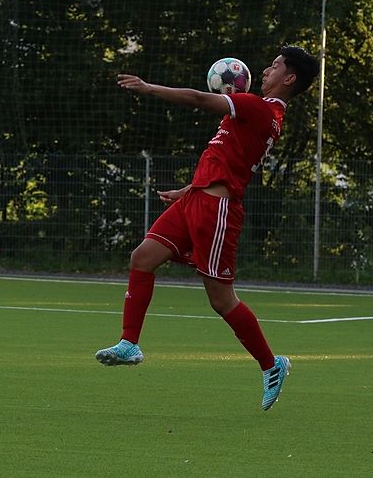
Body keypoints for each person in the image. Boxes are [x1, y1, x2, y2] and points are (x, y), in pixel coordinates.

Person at [95, 46, 320, 411]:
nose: (266, 70)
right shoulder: (256, 111)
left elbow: (199, 99)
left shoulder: (259, 108)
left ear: (290, 78)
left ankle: (271, 364)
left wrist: (149, 88)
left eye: (275, 66)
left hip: (217, 210)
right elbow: (230, 161)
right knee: (143, 257)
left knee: (221, 299)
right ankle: (129, 343)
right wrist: (190, 189)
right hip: (196, 200)